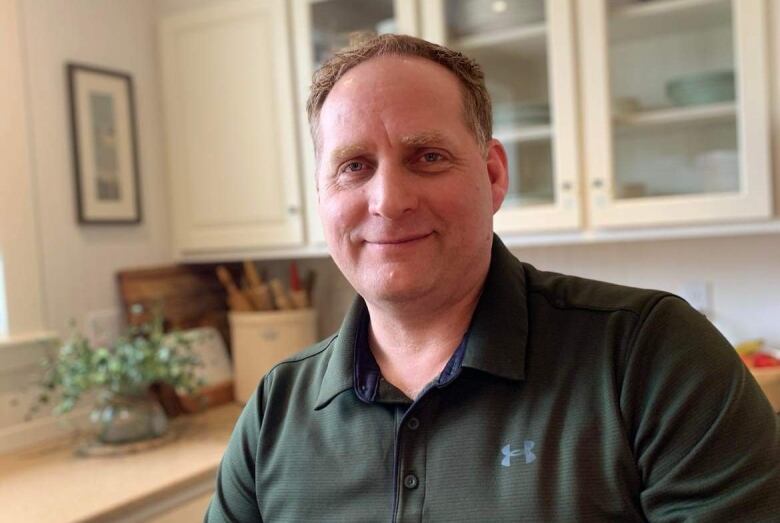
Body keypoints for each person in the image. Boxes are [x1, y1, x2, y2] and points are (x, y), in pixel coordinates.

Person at [205, 34, 778, 522]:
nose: (389, 200)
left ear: (493, 174)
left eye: (427, 156)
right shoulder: (274, 409)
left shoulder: (650, 356)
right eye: (354, 167)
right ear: (322, 197)